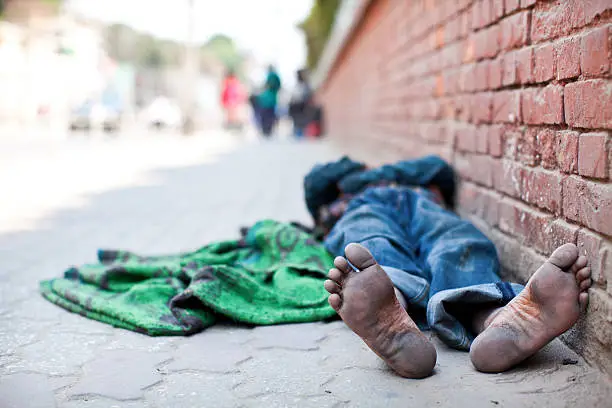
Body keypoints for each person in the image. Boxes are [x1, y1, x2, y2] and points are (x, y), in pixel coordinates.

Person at [304, 156, 592, 378]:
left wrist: (372, 174)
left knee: (455, 241)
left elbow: (439, 168)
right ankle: (391, 309)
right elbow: (315, 184)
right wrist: (372, 175)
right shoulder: (342, 197)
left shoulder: (405, 181)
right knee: (372, 241)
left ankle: (498, 319)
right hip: (362, 208)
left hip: (425, 206)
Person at [257, 65, 281, 137]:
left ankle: (266, 130)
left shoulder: (270, 76)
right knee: (269, 116)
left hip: (266, 101)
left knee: (266, 116)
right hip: (270, 101)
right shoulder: (275, 77)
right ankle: (268, 130)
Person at [288, 69, 313, 138]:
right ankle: (297, 130)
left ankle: (300, 131)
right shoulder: (298, 84)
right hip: (296, 104)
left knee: (300, 117)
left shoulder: (305, 84)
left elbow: (308, 94)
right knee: (296, 117)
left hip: (301, 104)